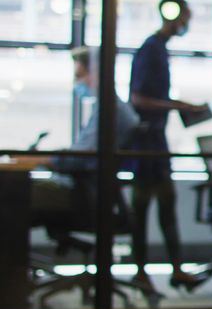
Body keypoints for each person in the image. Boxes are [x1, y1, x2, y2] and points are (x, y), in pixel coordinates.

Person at [127, 0, 207, 292]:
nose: (186, 24)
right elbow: (138, 99)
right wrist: (179, 106)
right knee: (144, 207)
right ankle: (142, 272)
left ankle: (174, 269)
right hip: (147, 144)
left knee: (165, 206)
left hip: (155, 141)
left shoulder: (158, 49)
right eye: (185, 17)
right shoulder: (151, 49)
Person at [28, 47, 139, 225]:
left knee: (13, 194)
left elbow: (83, 157)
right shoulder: (107, 108)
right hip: (85, 187)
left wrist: (43, 160)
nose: (76, 82)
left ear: (95, 73)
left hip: (83, 192)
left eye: (79, 75)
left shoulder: (110, 111)